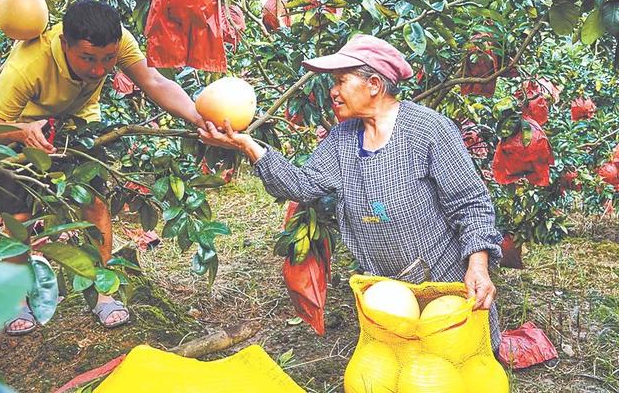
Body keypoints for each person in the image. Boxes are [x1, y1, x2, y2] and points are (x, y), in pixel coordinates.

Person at [199, 34, 503, 349]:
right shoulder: (344, 138)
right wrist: (249, 146)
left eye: (341, 81)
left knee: (457, 363)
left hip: (447, 285)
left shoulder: (427, 130)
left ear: (374, 84)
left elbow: (470, 204)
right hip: (387, 290)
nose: (333, 91)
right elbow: (304, 185)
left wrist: (478, 265)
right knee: (403, 370)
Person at [0, 0, 206, 335]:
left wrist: (199, 118)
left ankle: (102, 292)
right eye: (88, 58)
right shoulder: (29, 64)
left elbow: (155, 83)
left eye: (108, 60)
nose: (100, 70)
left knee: (94, 203)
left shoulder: (118, 41)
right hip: (19, 129)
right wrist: (22, 132)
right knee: (19, 218)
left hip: (78, 126)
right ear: (64, 43)